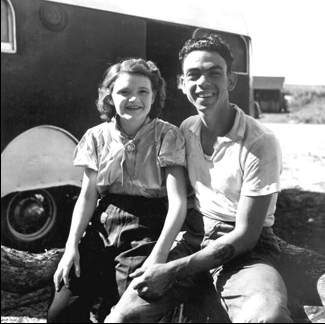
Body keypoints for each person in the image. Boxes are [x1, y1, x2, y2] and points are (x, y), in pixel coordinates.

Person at [106, 35, 293, 323]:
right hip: (194, 238)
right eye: (193, 75)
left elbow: (245, 235)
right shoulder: (187, 129)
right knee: (121, 317)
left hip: (246, 253)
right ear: (182, 84)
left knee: (267, 317)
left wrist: (172, 270)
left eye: (214, 73)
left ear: (230, 80)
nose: (203, 82)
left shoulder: (260, 142)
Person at [47, 58, 188, 323]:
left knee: (125, 308)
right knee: (61, 313)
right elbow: (88, 196)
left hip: (147, 226)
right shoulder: (96, 136)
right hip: (102, 224)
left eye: (143, 91)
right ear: (110, 95)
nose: (133, 99)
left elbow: (178, 202)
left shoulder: (167, 136)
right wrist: (71, 246)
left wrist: (158, 255)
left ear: (154, 95)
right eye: (124, 91)